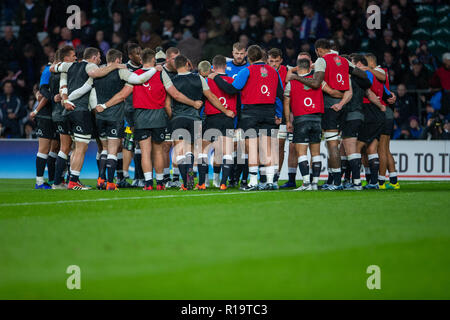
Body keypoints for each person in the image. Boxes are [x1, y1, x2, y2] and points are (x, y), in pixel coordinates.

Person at [99, 50, 202, 190]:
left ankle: (148, 183)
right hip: (158, 116)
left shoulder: (135, 75)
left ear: (141, 61)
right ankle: (160, 183)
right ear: (153, 59)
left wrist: (104, 105)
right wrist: (193, 103)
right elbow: (175, 94)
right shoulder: (161, 73)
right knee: (158, 151)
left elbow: (122, 95)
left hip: (141, 117)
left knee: (145, 152)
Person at [288, 39, 360, 190]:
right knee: (340, 146)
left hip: (329, 108)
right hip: (345, 108)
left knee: (332, 145)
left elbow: (316, 84)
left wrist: (295, 76)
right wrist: (341, 101)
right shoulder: (344, 64)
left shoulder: (321, 62)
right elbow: (361, 77)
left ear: (319, 50)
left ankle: (336, 183)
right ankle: (350, 182)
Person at [51, 47, 125, 190]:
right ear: (94, 57)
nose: (100, 61)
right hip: (81, 111)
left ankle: (65, 180)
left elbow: (53, 69)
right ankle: (73, 182)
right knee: (80, 148)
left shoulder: (70, 66)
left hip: (67, 112)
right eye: (98, 58)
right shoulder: (90, 66)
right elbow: (94, 73)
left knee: (72, 148)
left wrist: (65, 99)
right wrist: (114, 65)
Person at [211, 45, 283, 191]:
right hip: (269, 112)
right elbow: (280, 94)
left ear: (248, 57)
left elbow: (232, 89)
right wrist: (278, 113)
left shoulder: (247, 70)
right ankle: (269, 182)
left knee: (252, 149)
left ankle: (253, 182)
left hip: (251, 113)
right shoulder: (273, 71)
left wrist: (216, 78)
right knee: (267, 149)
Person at [92, 48, 160, 190]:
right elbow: (140, 79)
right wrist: (154, 69)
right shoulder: (121, 71)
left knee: (103, 149)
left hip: (98, 115)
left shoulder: (97, 72)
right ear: (118, 60)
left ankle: (100, 179)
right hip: (114, 116)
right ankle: (110, 182)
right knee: (112, 150)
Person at [171, 54, 234, 190]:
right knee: (197, 151)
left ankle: (186, 182)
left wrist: (172, 117)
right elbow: (211, 96)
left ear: (175, 66)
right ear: (188, 63)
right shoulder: (198, 78)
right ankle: (202, 183)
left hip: (178, 118)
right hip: (195, 119)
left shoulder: (172, 81)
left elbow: (168, 102)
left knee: (181, 152)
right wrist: (225, 111)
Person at [352, 54, 395, 190]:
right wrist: (391, 97)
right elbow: (387, 93)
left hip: (368, 112)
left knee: (357, 147)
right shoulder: (378, 77)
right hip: (380, 114)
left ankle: (356, 181)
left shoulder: (365, 75)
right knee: (372, 148)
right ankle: (376, 182)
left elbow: (365, 90)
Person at [284, 58, 324, 191]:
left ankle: (306, 183)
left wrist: (288, 121)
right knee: (316, 153)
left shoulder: (292, 82)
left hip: (301, 119)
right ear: (309, 68)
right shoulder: (317, 81)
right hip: (317, 119)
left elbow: (286, 102)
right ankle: (314, 184)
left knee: (301, 153)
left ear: (298, 67)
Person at [201, 55, 238, 190]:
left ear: (213, 67)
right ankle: (221, 182)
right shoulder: (233, 82)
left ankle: (204, 181)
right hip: (228, 118)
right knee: (225, 152)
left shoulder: (207, 81)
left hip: (211, 118)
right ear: (225, 66)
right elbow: (238, 103)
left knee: (204, 150)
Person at [365, 53, 400, 190]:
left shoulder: (377, 72)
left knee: (381, 149)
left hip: (382, 112)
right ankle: (393, 179)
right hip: (386, 111)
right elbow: (387, 91)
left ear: (371, 63)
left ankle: (380, 182)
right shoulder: (379, 71)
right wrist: (391, 95)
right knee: (385, 149)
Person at [225, 42, 250, 189]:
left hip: (245, 111)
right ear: (232, 53)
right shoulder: (226, 67)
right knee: (233, 146)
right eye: (236, 53)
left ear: (246, 53)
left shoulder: (249, 68)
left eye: (241, 53)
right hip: (230, 110)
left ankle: (243, 179)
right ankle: (232, 178)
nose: (239, 56)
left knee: (244, 147)